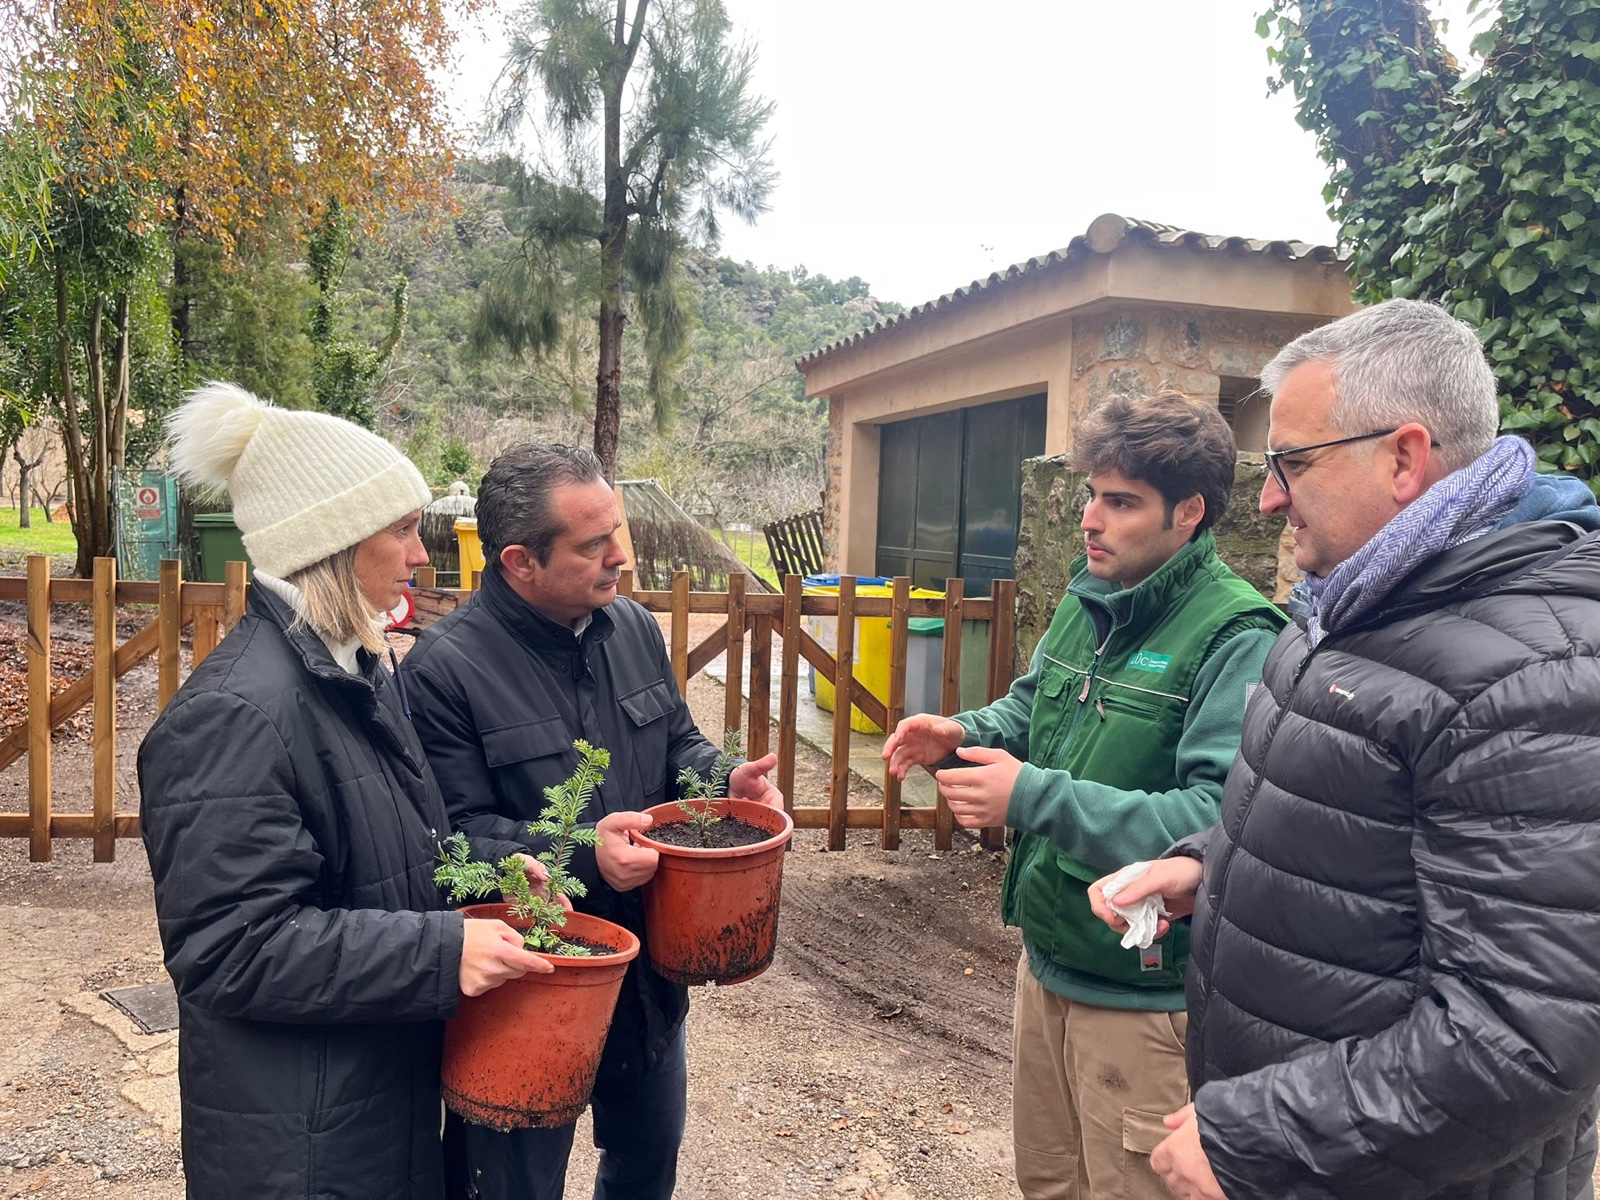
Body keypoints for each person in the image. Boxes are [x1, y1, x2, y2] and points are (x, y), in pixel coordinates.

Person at [1091, 299, 1600, 1200]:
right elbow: (1364, 822)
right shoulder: (1355, 603)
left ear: (1404, 458)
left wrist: (1259, 1138)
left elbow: (1525, 1031)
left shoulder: (1533, 677)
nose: (1269, 496)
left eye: (1293, 462)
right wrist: (1210, 866)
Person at [139, 384, 557, 1199]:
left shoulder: (353, 674)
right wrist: (442, 953)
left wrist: (499, 868)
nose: (419, 556)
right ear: (332, 538)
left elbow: (388, 853)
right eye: (401, 529)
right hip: (300, 1155)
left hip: (369, 1117)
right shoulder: (233, 715)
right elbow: (232, 950)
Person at [883, 391, 1285, 1199]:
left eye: (1122, 501)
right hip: (1052, 958)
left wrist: (1030, 796)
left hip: (1144, 993)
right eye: (1091, 496)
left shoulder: (1236, 637)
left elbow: (1215, 821)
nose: (1090, 521)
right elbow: (1035, 704)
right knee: (1052, 1184)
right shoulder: (1087, 595)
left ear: (1189, 514)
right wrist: (963, 731)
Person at [398, 443, 783, 1200]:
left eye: (618, 530)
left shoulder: (630, 627)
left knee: (646, 1163)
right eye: (593, 544)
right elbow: (447, 839)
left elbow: (676, 743)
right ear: (519, 561)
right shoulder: (444, 670)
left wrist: (722, 779)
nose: (621, 557)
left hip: (646, 973)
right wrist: (579, 855)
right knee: (511, 1184)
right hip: (529, 981)